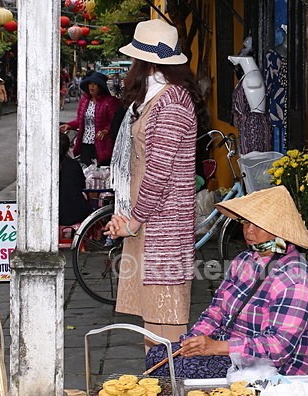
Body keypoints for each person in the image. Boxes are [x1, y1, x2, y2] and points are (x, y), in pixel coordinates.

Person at [142, 186, 308, 396]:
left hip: (277, 371)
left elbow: (278, 349)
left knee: (186, 373)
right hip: (236, 355)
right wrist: (195, 339)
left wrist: (217, 347)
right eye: (245, 223)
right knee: (161, 358)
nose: (249, 231)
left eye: (258, 225)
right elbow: (217, 309)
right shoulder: (245, 260)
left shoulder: (295, 281)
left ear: (280, 231)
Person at [103, 19, 209, 345]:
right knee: (152, 322)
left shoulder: (172, 102)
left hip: (161, 226)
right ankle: (158, 389)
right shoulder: (157, 98)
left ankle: (169, 391)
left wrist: (133, 221)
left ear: (143, 61)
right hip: (149, 221)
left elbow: (159, 172)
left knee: (167, 322)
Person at [60, 71, 121, 166]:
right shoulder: (84, 101)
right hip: (85, 142)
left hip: (102, 144)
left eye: (95, 84)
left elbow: (115, 122)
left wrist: (105, 131)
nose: (92, 87)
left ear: (101, 87)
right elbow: (80, 121)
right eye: (90, 84)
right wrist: (69, 125)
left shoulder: (109, 102)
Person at [58, 133, 90, 226]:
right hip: (77, 212)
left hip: (54, 213)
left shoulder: (47, 167)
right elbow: (82, 185)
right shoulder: (74, 164)